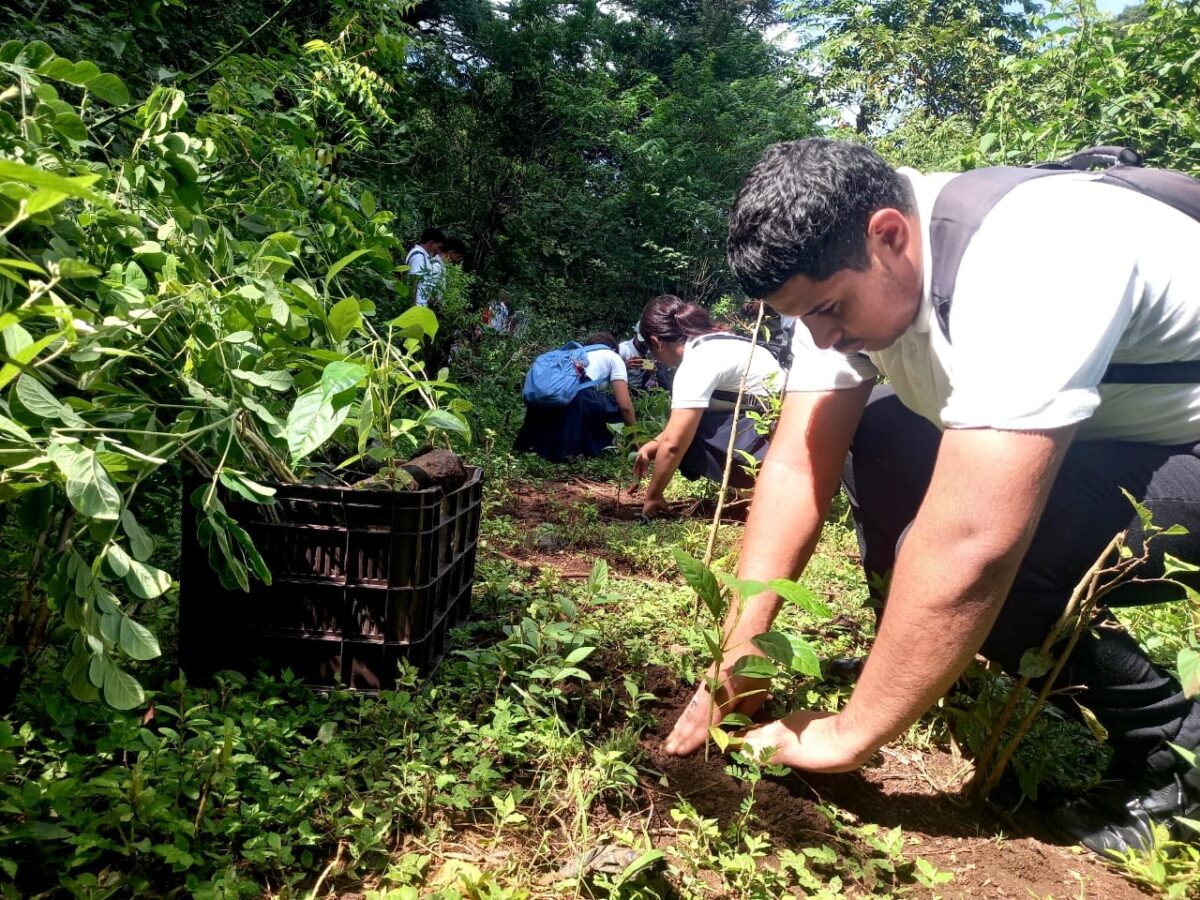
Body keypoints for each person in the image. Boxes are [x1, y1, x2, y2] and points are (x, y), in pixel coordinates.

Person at [664, 137, 1200, 856]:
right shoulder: (838, 266)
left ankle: (1173, 754)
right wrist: (736, 664)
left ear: (889, 235)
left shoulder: (1033, 253)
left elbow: (976, 542)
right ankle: (931, 648)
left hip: (1182, 445)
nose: (821, 340)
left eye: (829, 310)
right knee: (880, 437)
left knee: (996, 558)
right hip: (1119, 433)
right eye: (804, 320)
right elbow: (795, 471)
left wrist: (851, 733)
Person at [632, 294, 783, 518]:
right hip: (782, 432)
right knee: (693, 424)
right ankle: (757, 490)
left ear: (656, 341)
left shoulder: (697, 362)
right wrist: (650, 447)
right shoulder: (722, 341)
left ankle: (765, 492)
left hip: (768, 442)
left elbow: (675, 441)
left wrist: (653, 496)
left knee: (689, 436)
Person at [514, 332, 637, 462]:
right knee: (613, 405)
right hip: (578, 399)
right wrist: (635, 443)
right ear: (613, 349)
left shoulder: (575, 353)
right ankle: (589, 451)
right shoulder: (614, 357)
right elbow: (625, 406)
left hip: (553, 398)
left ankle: (533, 450)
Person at [405, 227, 445, 307]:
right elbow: (414, 283)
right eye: (438, 247)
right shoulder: (419, 257)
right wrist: (413, 310)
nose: (438, 251)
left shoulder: (423, 256)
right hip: (417, 308)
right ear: (431, 243)